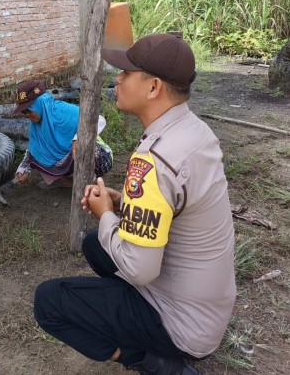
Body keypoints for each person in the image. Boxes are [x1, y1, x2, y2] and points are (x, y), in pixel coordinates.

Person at [33, 34, 236, 375]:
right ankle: (136, 317)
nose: (118, 79)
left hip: (183, 326)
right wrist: (125, 203)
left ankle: (156, 363)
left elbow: (142, 270)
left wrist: (107, 215)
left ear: (154, 87)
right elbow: (174, 205)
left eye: (127, 73)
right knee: (95, 244)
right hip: (207, 307)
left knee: (49, 302)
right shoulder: (194, 131)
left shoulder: (155, 159)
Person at [12, 81, 112, 188]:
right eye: (23, 112)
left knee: (83, 148)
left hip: (100, 157)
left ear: (39, 103)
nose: (26, 115)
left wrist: (78, 138)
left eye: (29, 110)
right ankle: (65, 181)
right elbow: (32, 150)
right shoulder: (36, 125)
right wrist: (22, 169)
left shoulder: (62, 111)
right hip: (67, 160)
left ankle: (89, 182)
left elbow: (100, 120)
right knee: (37, 156)